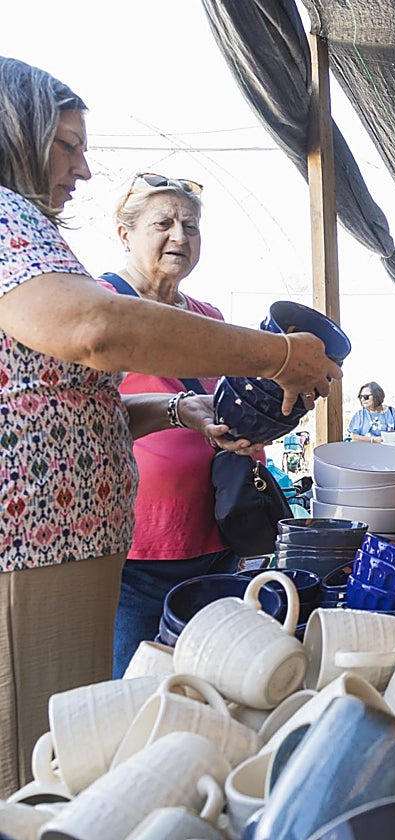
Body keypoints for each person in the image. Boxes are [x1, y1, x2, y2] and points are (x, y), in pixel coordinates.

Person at [0, 58, 339, 795]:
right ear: (13, 134)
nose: (83, 169)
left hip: (92, 543)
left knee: (78, 748)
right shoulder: (13, 228)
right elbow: (94, 329)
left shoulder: (34, 235)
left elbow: (65, 412)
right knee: (50, 760)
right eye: (65, 146)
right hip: (39, 548)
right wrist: (281, 354)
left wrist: (189, 410)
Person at [100, 172, 252, 678]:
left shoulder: (208, 315)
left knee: (205, 683)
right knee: (134, 687)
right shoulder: (101, 303)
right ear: (125, 234)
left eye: (191, 225)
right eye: (162, 223)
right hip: (140, 548)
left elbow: (230, 403)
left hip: (219, 539)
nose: (180, 237)